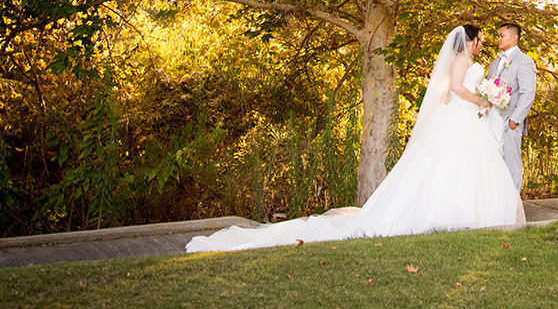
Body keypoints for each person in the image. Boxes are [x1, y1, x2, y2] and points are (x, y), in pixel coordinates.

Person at [185, 24, 524, 253]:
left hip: (467, 120)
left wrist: (486, 98)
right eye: (480, 39)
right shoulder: (462, 61)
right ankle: (442, 216)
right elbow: (457, 88)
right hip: (461, 117)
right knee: (445, 168)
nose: (483, 44)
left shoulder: (473, 60)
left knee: (463, 168)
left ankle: (465, 215)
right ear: (469, 42)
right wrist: (482, 99)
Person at [487, 23, 536, 192]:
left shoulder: (525, 62)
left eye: (502, 35)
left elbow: (527, 93)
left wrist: (515, 120)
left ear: (514, 38)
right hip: (492, 122)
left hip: (510, 122)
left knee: (512, 166)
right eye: (498, 35)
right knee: (494, 166)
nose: (498, 39)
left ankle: (514, 209)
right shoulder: (494, 64)